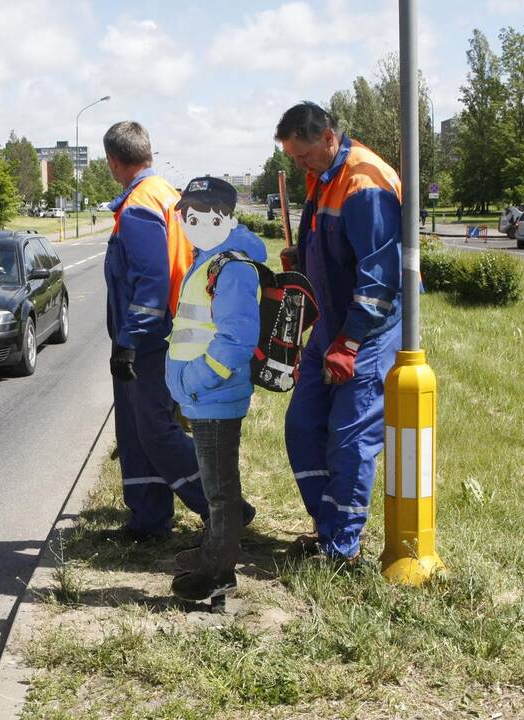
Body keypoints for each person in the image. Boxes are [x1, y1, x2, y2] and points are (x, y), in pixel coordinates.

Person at [275, 101, 403, 563]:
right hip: (329, 324)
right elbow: (327, 249)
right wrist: (300, 258)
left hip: (368, 331)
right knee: (303, 426)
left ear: (329, 137)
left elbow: (380, 275)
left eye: (303, 155)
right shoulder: (323, 178)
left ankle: (342, 549)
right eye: (293, 157)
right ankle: (327, 526)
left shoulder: (365, 182)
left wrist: (350, 342)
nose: (298, 164)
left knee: (349, 440)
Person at [102, 121, 214, 543]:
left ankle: (223, 507)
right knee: (135, 427)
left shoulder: (139, 205)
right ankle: (148, 518)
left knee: (154, 429)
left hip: (151, 337)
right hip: (172, 328)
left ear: (114, 161)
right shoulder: (167, 194)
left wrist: (129, 341)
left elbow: (150, 280)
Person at [165, 176, 263, 601]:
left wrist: (195, 381)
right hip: (204, 397)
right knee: (215, 486)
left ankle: (218, 573)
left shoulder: (232, 265)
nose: (195, 222)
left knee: (221, 492)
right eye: (190, 214)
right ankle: (213, 552)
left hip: (214, 396)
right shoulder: (211, 257)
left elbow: (237, 339)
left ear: (226, 216)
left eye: (207, 214)